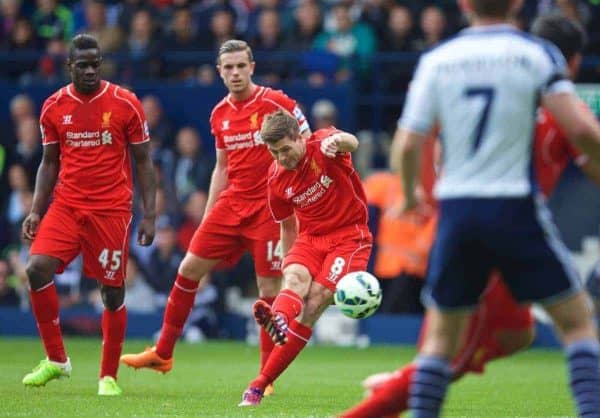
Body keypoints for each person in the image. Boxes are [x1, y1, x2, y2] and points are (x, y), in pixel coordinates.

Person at [346, 0, 600, 416]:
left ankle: (413, 393)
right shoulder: (534, 55)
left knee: (445, 339)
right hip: (513, 204)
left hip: (458, 210)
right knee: (577, 322)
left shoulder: (438, 59)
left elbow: (409, 143)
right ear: (517, 4)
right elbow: (582, 129)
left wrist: (411, 195)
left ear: (463, 5)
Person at [120, 40, 311, 395]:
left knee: (269, 289)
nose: (236, 73)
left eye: (241, 66)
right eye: (229, 67)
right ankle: (163, 353)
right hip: (232, 204)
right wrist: (209, 216)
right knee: (188, 268)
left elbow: (308, 143)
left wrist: (301, 197)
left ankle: (265, 378)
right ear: (220, 71)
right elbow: (222, 167)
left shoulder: (277, 102)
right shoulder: (219, 113)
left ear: (252, 66)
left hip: (271, 207)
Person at [20, 34, 156, 396]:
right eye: (83, 65)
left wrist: (150, 214)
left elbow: (143, 161)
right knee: (35, 269)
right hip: (66, 206)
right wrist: (36, 210)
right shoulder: (53, 107)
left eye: (96, 63)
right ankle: (56, 360)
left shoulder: (125, 103)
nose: (91, 70)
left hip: (111, 211)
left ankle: (107, 377)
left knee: (111, 293)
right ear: (70, 67)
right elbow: (48, 164)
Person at [237, 109, 372, 406]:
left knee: (314, 302)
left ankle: (259, 384)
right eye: (274, 153)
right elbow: (287, 226)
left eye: (285, 149)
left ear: (300, 137)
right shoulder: (275, 180)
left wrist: (338, 142)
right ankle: (280, 320)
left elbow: (352, 142)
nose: (281, 158)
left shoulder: (323, 146)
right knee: (295, 279)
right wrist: (289, 265)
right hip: (310, 238)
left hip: (349, 237)